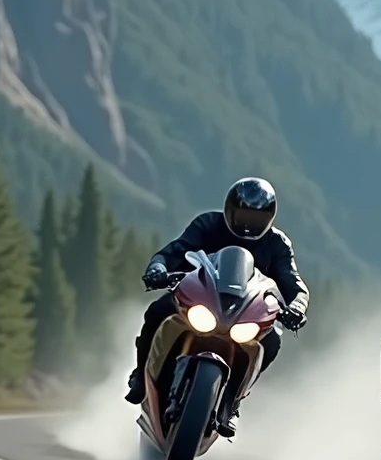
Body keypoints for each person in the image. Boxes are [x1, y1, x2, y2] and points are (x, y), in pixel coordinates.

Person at [126, 178, 308, 432]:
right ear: (229, 210)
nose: (247, 224)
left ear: (269, 219)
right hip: (198, 298)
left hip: (246, 312)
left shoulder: (277, 244)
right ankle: (140, 377)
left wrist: (297, 306)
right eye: (243, 215)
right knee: (157, 311)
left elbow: (294, 283)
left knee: (272, 342)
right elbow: (173, 251)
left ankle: (232, 401)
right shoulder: (208, 224)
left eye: (256, 219)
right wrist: (158, 268)